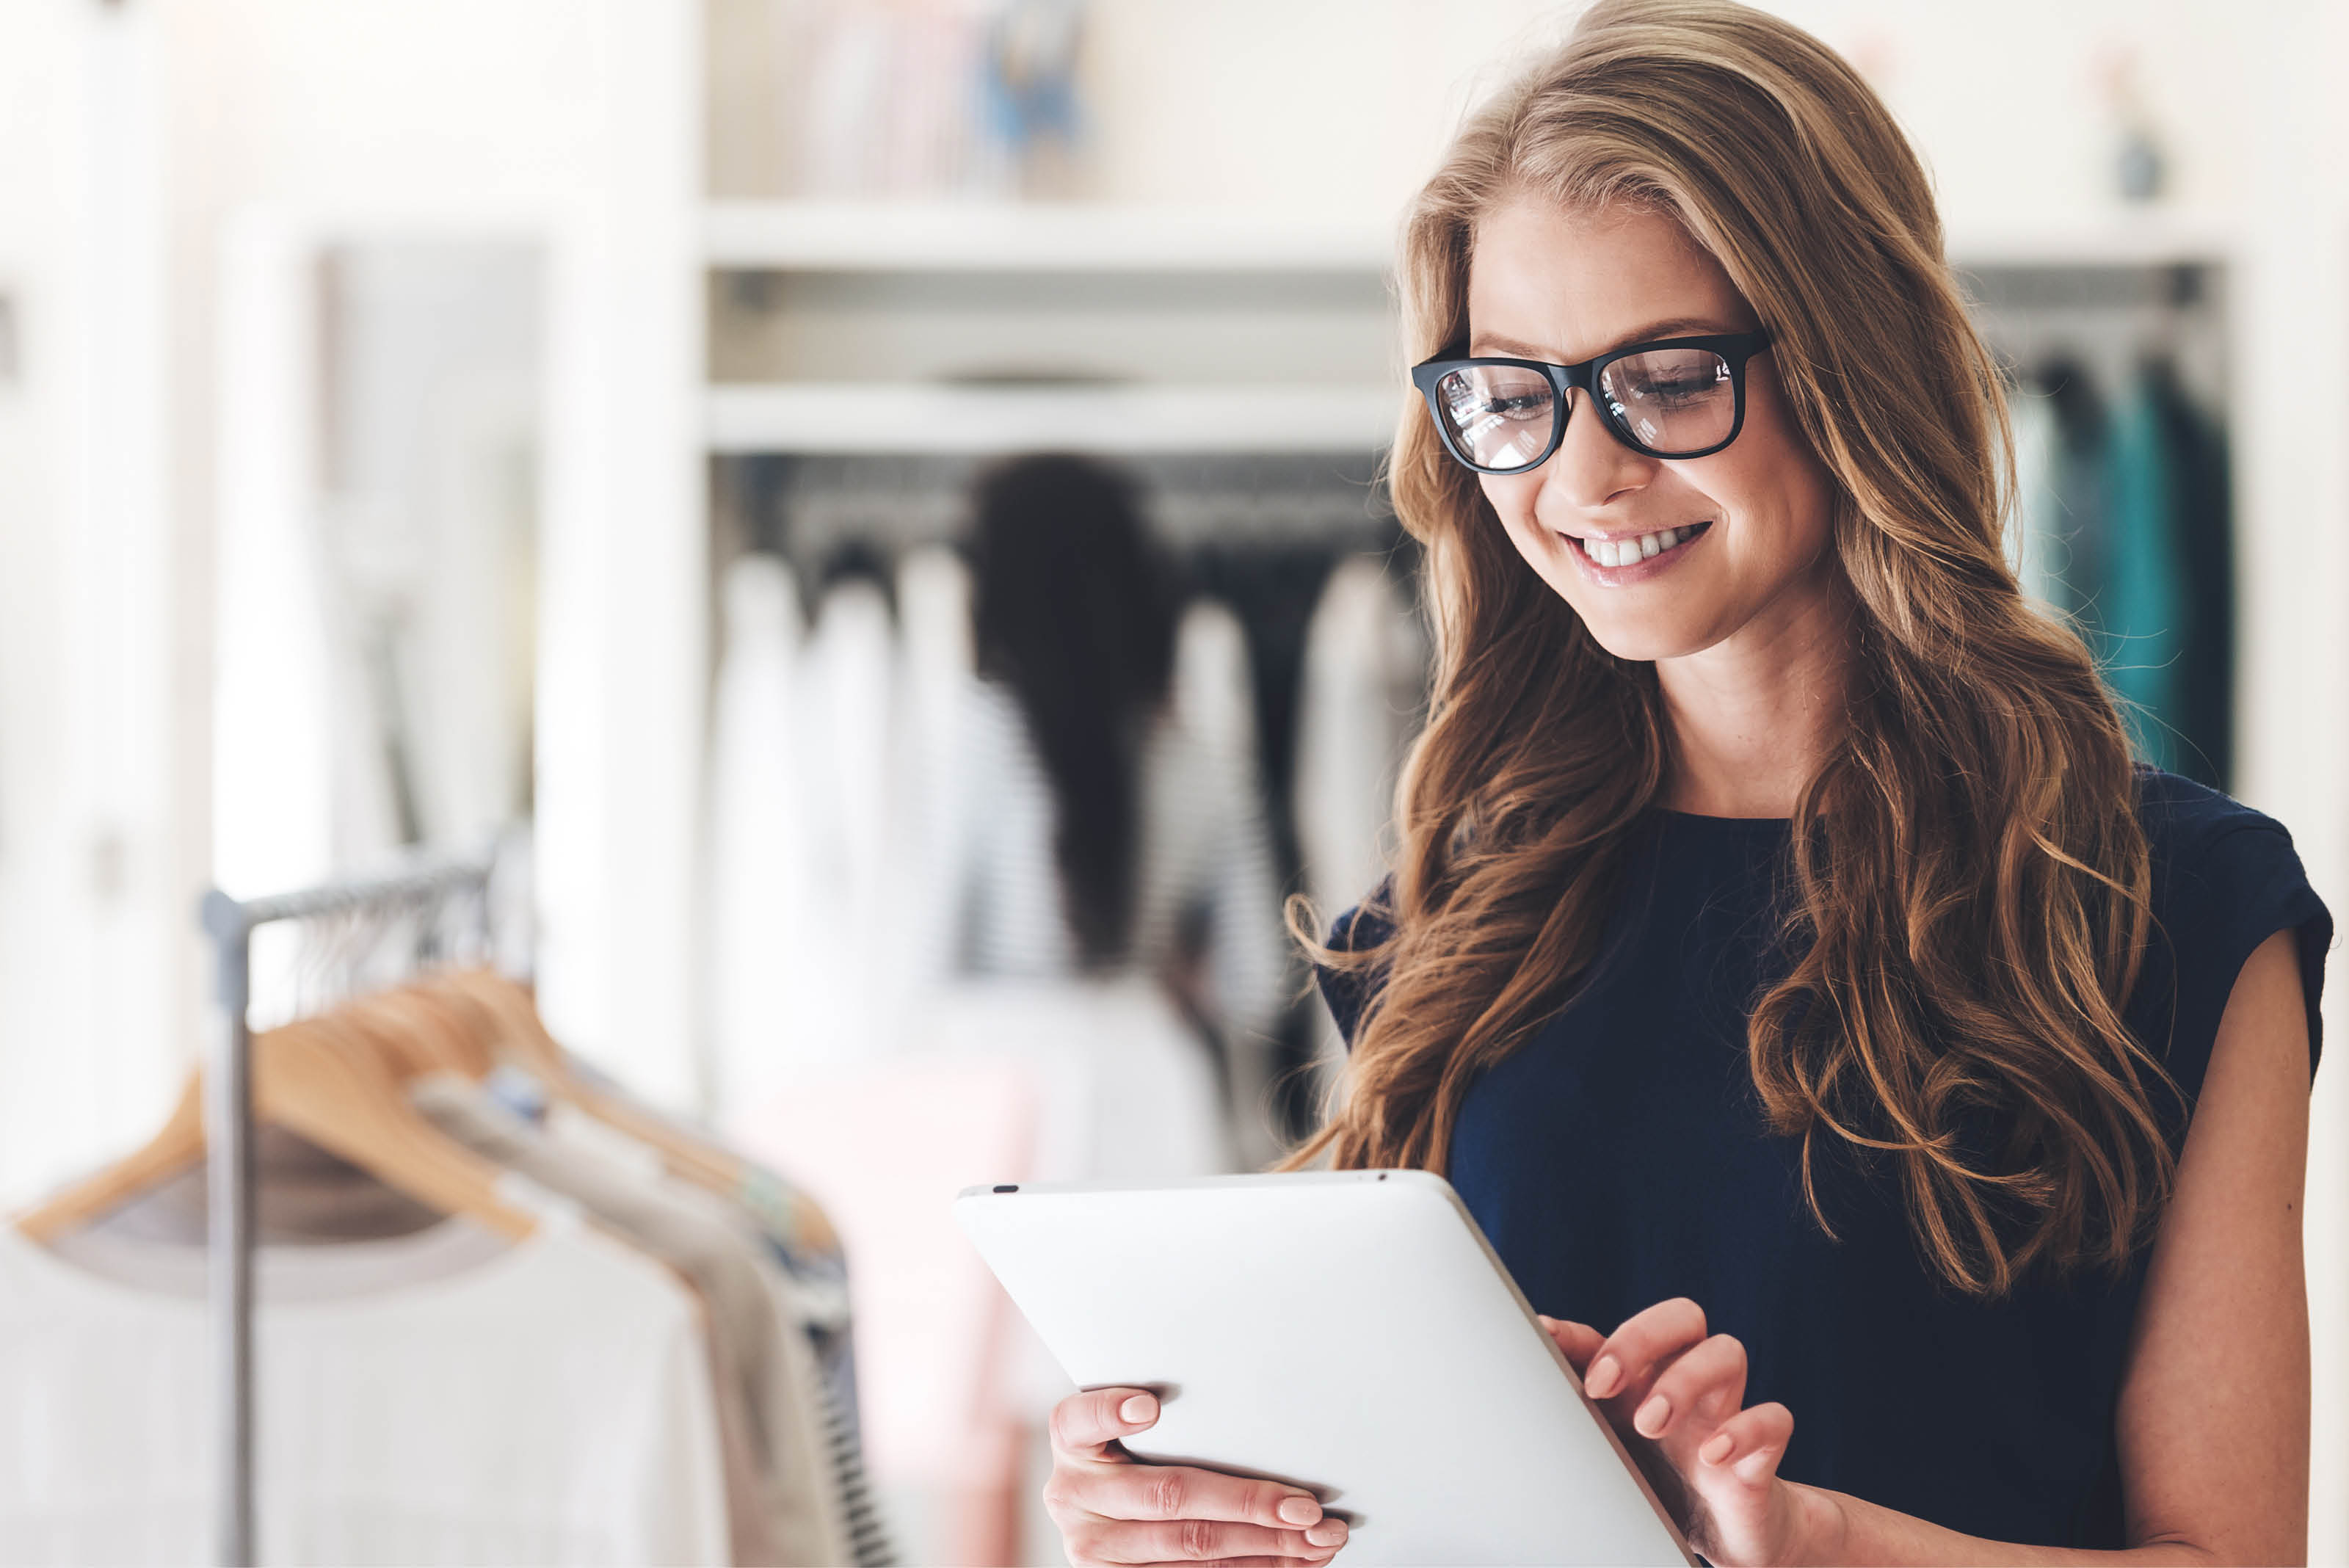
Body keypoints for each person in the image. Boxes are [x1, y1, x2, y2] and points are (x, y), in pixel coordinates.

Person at [1037, 4, 2330, 1564]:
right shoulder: (1445, 927)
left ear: (1848, 366)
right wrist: (1207, 1519)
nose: (1581, 478)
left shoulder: (2169, 911)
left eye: (1664, 375)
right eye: (1513, 395)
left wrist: (1811, 1547)